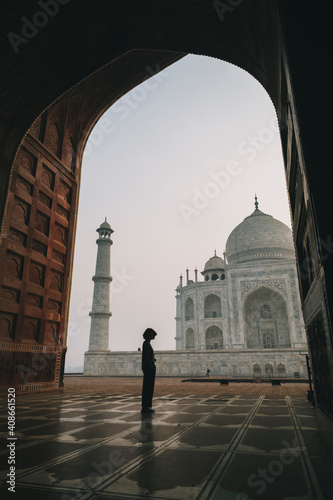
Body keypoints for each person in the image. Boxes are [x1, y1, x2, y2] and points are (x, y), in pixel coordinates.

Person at [141, 327, 157, 413]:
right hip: (148, 369)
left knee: (149, 388)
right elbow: (146, 357)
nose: (153, 337)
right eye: (152, 335)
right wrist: (151, 366)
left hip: (148, 368)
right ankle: (146, 406)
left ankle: (147, 406)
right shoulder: (146, 344)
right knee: (148, 388)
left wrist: (153, 360)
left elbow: (148, 356)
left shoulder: (147, 344)